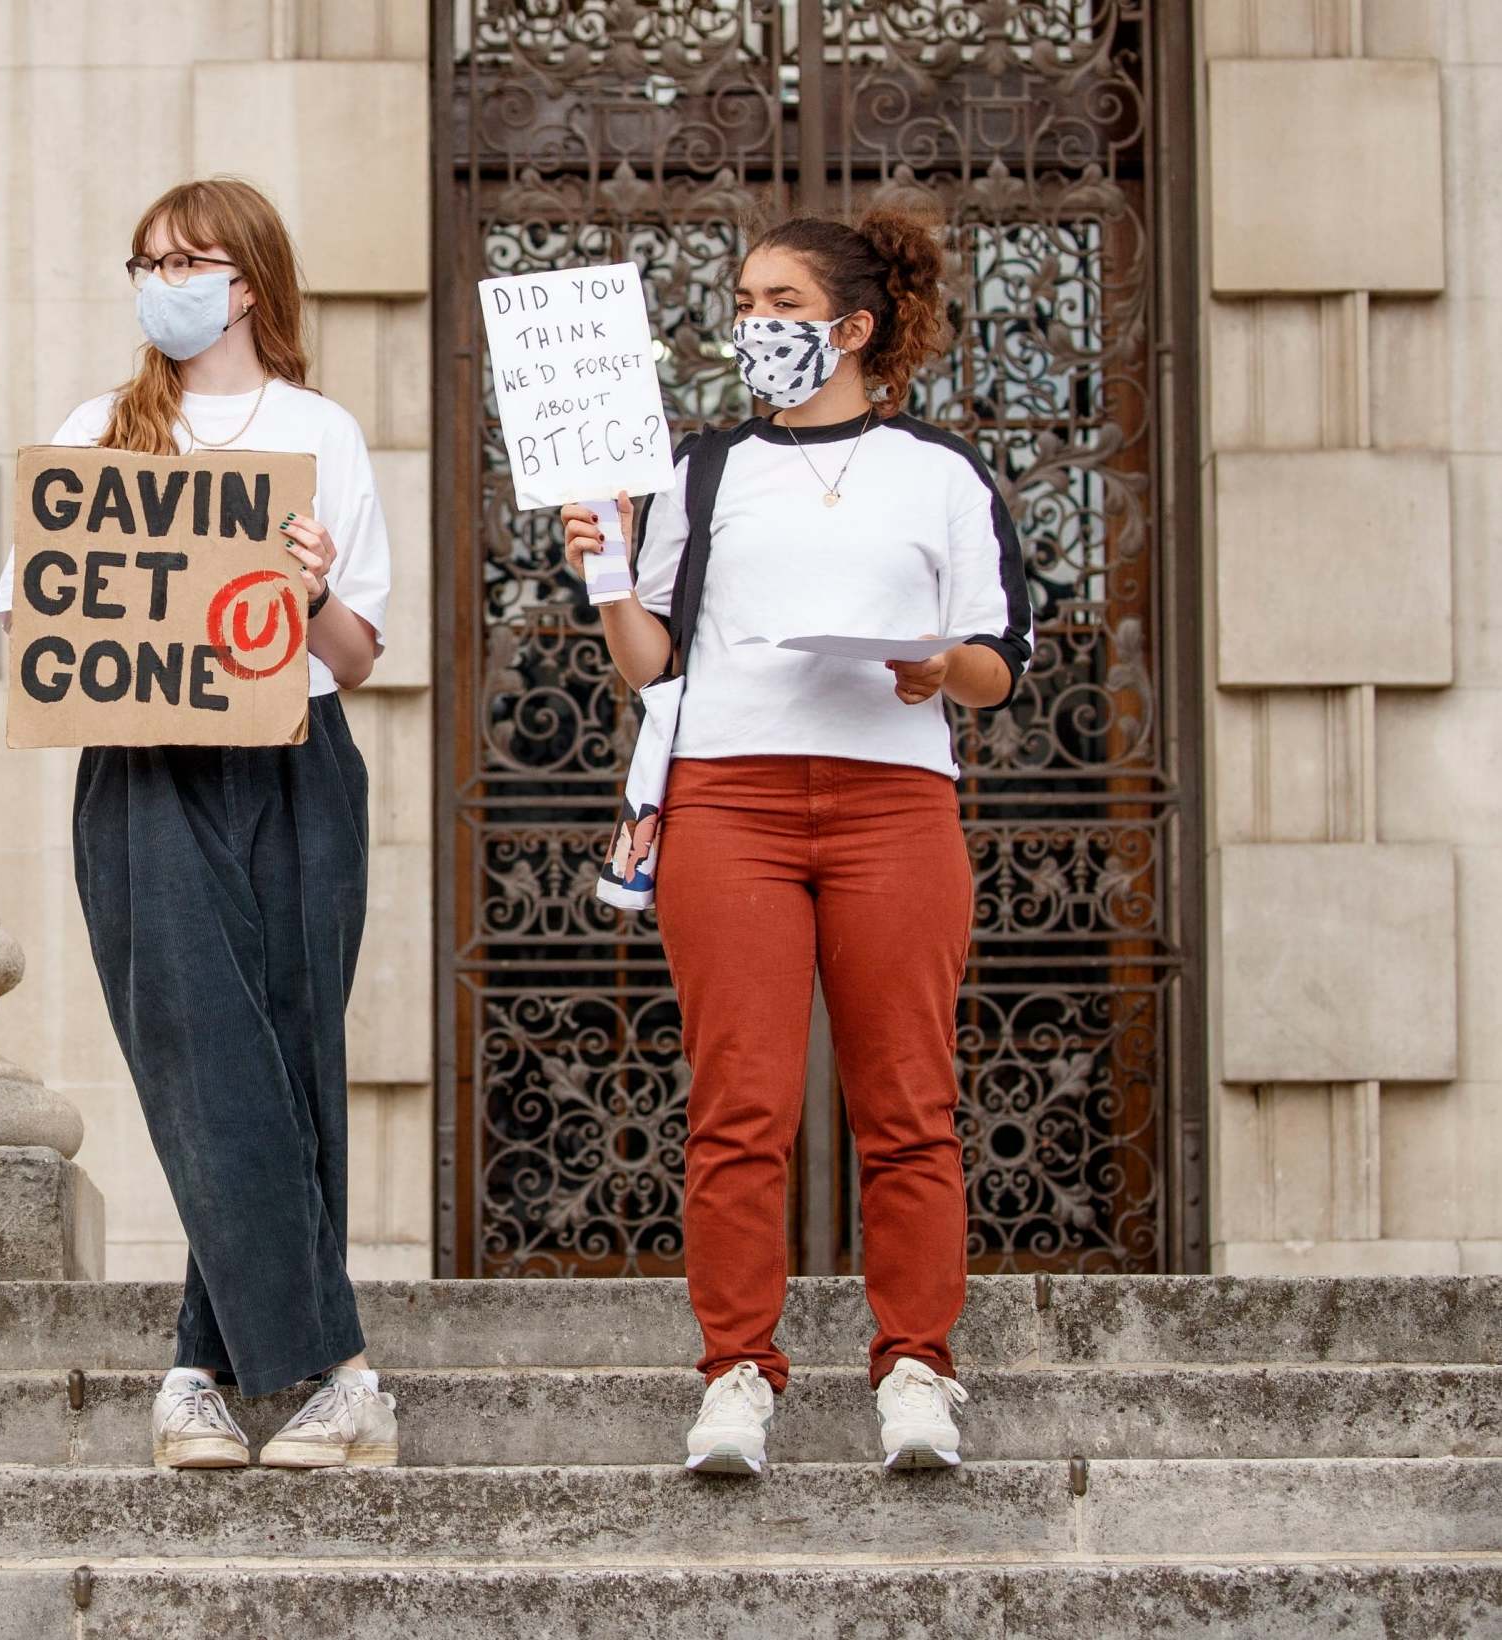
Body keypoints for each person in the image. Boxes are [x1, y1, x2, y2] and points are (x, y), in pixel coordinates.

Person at [561, 207, 1030, 1477]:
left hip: (893, 802)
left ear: (853, 326)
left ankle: (919, 1366)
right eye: (745, 301)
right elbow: (652, 663)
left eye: (776, 301)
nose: (751, 323)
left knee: (909, 1102)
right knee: (739, 1100)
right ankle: (734, 1373)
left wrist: (943, 666)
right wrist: (608, 574)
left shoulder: (943, 471)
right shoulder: (703, 470)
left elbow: (1000, 656)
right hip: (730, 801)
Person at [0, 176, 397, 1470]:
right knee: (199, 1044)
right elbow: (27, 620)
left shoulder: (323, 433)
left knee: (286, 1053)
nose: (165, 280)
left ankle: (199, 1372)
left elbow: (361, 652)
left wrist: (312, 587)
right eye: (148, 259)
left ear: (251, 282)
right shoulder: (97, 427)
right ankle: (334, 1370)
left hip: (293, 759)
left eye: (192, 259)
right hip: (148, 758)